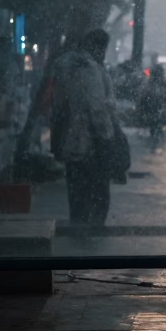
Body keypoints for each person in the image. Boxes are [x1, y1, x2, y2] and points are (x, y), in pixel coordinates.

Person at [50, 29, 116, 226]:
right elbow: (97, 109)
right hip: (91, 141)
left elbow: (57, 104)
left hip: (70, 139)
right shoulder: (89, 69)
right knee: (98, 190)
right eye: (103, 49)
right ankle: (92, 232)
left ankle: (78, 227)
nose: (103, 54)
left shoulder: (63, 65)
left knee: (76, 188)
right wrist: (108, 137)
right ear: (96, 47)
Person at [137, 63, 166, 149]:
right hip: (157, 114)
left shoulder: (165, 85)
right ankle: (160, 145)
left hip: (160, 114)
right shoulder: (152, 86)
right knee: (158, 129)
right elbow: (142, 100)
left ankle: (160, 145)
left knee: (160, 129)